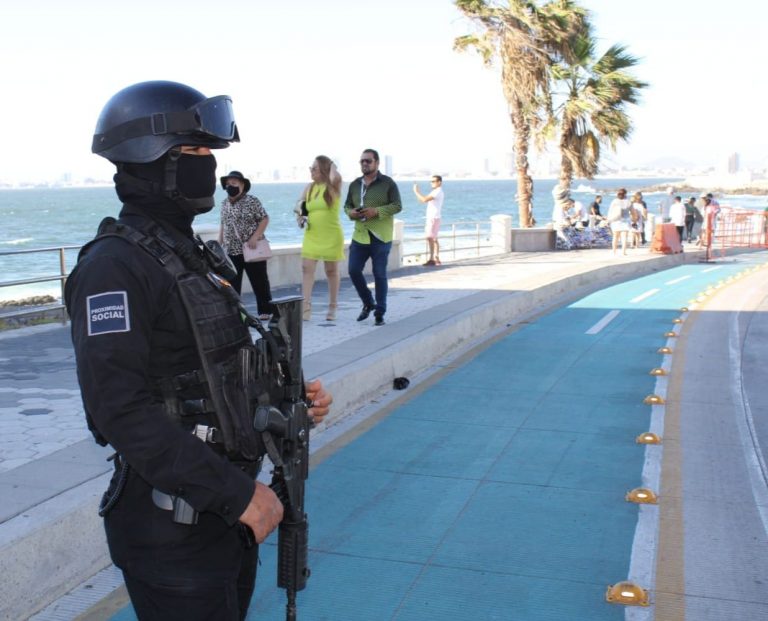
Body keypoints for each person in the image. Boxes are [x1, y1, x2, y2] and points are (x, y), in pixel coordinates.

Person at [64, 80, 332, 621]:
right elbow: (118, 408)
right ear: (153, 159)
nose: (209, 164)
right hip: (174, 527)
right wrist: (235, 494)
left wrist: (287, 400)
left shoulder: (194, 257)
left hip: (222, 512)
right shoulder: (113, 267)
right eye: (195, 150)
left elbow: (212, 370)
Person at [344, 148, 402, 326]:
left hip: (380, 237)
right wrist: (351, 213)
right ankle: (368, 302)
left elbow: (397, 205)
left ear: (377, 163)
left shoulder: (388, 183)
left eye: (368, 161)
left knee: (379, 273)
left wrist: (376, 211)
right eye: (362, 161)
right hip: (360, 235)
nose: (364, 164)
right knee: (353, 270)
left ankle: (380, 312)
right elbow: (347, 206)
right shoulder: (355, 185)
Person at [219, 171, 275, 319]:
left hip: (252, 248)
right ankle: (235, 313)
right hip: (232, 250)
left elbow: (264, 219)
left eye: (234, 183)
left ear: (242, 185)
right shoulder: (224, 204)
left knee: (259, 281)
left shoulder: (252, 201)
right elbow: (223, 224)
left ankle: (265, 311)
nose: (230, 186)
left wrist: (255, 237)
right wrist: (220, 242)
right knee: (232, 284)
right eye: (228, 184)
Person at [298, 155, 345, 321]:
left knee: (331, 271)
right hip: (312, 234)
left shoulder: (333, 186)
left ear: (324, 169)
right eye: (310, 168)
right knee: (306, 268)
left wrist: (331, 165)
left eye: (314, 168)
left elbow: (336, 175)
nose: (311, 171)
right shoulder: (309, 187)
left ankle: (333, 306)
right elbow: (300, 205)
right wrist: (300, 217)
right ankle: (305, 306)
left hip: (331, 235)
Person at [412, 175, 444, 266]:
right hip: (435, 217)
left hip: (433, 218)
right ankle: (436, 257)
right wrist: (418, 194)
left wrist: (416, 191)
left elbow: (424, 200)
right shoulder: (436, 191)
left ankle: (432, 259)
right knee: (434, 238)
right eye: (431, 181)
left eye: (433, 181)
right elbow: (422, 200)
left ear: (439, 182)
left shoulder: (437, 191)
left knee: (430, 237)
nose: (431, 183)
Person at [606, 188, 632, 255]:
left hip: (616, 221)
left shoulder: (614, 201)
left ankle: (614, 251)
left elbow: (610, 211)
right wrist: (634, 220)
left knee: (615, 237)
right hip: (626, 221)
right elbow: (632, 211)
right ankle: (623, 252)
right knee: (624, 237)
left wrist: (608, 220)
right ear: (625, 194)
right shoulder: (628, 202)